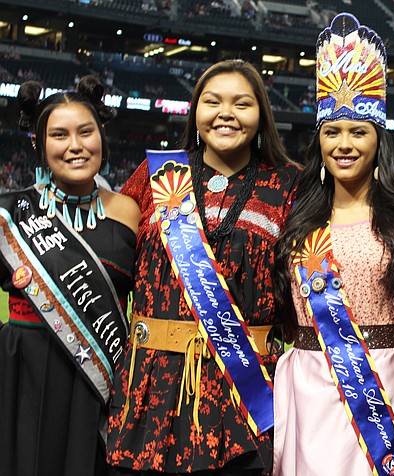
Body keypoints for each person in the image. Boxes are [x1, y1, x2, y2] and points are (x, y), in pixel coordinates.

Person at [106, 59, 299, 475]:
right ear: (195, 112)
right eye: (212, 102)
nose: (225, 113)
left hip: (246, 393)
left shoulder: (291, 184)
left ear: (262, 116)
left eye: (241, 103)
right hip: (151, 384)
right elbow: (108, 257)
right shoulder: (155, 175)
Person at [272, 13, 394, 475]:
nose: (344, 144)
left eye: (358, 131)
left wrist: (380, 338)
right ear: (318, 140)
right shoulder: (295, 217)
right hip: (306, 383)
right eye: (332, 132)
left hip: (381, 384)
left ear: (378, 140)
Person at [0, 76, 140, 475]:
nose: (75, 146)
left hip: (98, 378)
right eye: (59, 135)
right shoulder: (10, 213)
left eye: (85, 132)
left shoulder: (130, 210)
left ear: (102, 136)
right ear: (39, 144)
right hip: (22, 372)